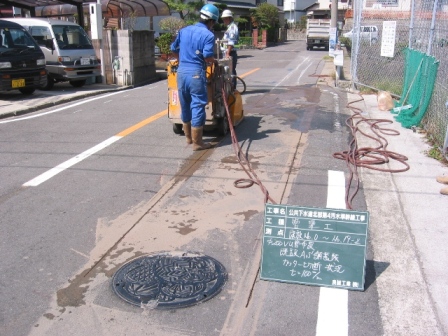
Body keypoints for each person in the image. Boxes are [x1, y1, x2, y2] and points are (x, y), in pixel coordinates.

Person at [170, 4, 219, 151]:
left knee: (185, 104)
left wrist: (181, 60)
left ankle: (189, 138)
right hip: (196, 74)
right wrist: (214, 62)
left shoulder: (184, 30)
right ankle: (198, 143)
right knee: (197, 105)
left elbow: (173, 49)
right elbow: (207, 56)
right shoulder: (208, 35)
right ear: (211, 21)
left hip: (181, 72)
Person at [221, 9, 239, 90]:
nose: (224, 20)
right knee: (227, 72)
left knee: (231, 72)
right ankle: (229, 89)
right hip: (227, 53)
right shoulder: (229, 27)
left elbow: (231, 42)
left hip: (230, 53)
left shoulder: (232, 27)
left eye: (225, 18)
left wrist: (227, 53)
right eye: (223, 18)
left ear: (229, 18)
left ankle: (232, 89)